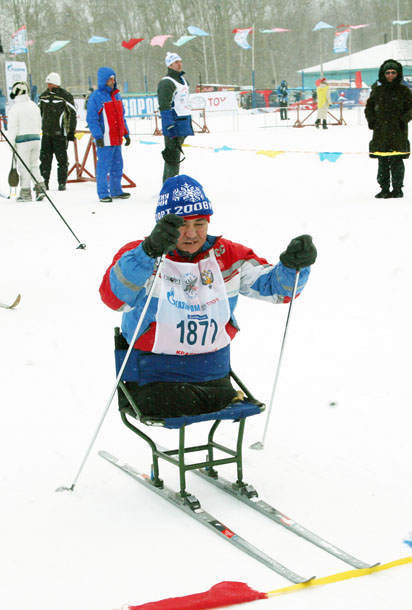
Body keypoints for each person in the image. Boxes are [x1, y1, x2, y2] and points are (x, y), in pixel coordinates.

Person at [99, 174, 317, 418]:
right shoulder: (139, 255)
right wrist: (147, 252)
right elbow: (113, 298)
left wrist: (292, 267)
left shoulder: (229, 255)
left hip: (212, 374)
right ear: (164, 225)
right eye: (181, 224)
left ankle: (212, 397)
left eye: (200, 223)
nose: (191, 234)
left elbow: (277, 291)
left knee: (187, 402)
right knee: (166, 403)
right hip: (154, 377)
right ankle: (211, 399)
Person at [365, 59, 412, 199]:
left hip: (398, 131)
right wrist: (372, 121)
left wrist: (403, 120)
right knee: (382, 161)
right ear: (383, 73)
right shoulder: (377, 90)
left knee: (396, 160)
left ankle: (398, 188)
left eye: (393, 72)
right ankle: (384, 188)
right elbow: (369, 108)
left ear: (398, 74)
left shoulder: (403, 90)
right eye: (387, 73)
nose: (390, 75)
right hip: (381, 131)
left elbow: (411, 108)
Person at [86, 66, 130, 202]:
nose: (112, 81)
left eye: (113, 78)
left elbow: (122, 117)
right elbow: (92, 119)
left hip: (116, 138)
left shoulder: (117, 95)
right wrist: (98, 136)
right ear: (103, 80)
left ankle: (116, 190)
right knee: (103, 166)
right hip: (105, 139)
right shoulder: (96, 97)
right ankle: (103, 192)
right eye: (110, 79)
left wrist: (126, 133)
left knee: (117, 165)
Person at [37, 71, 77, 192]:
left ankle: (62, 183)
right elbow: (38, 113)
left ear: (56, 84)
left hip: (60, 135)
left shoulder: (65, 96)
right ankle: (44, 183)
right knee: (44, 160)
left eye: (50, 83)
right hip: (46, 134)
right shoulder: (43, 96)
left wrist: (71, 132)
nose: (48, 86)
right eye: (47, 84)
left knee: (62, 161)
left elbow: (72, 114)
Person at [157, 52, 193, 182]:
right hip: (173, 123)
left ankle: (173, 183)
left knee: (176, 155)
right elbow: (164, 106)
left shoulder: (184, 80)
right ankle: (168, 186)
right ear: (170, 65)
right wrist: (169, 125)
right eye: (176, 62)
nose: (180, 64)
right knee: (172, 156)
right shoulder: (166, 82)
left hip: (184, 122)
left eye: (180, 61)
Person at [6, 80, 43, 202]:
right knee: (34, 165)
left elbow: (12, 128)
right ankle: (40, 187)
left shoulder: (15, 108)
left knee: (24, 167)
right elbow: (39, 123)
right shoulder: (34, 105)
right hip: (36, 138)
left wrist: (11, 144)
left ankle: (25, 193)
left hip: (22, 141)